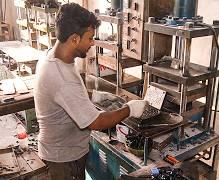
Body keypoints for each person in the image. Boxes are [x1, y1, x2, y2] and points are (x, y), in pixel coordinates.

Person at [34, 3, 148, 180]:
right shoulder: (61, 77)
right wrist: (130, 109)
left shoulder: (53, 56)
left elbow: (66, 97)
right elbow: (96, 122)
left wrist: (96, 96)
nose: (92, 42)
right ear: (74, 39)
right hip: (63, 161)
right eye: (89, 38)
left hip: (64, 152)